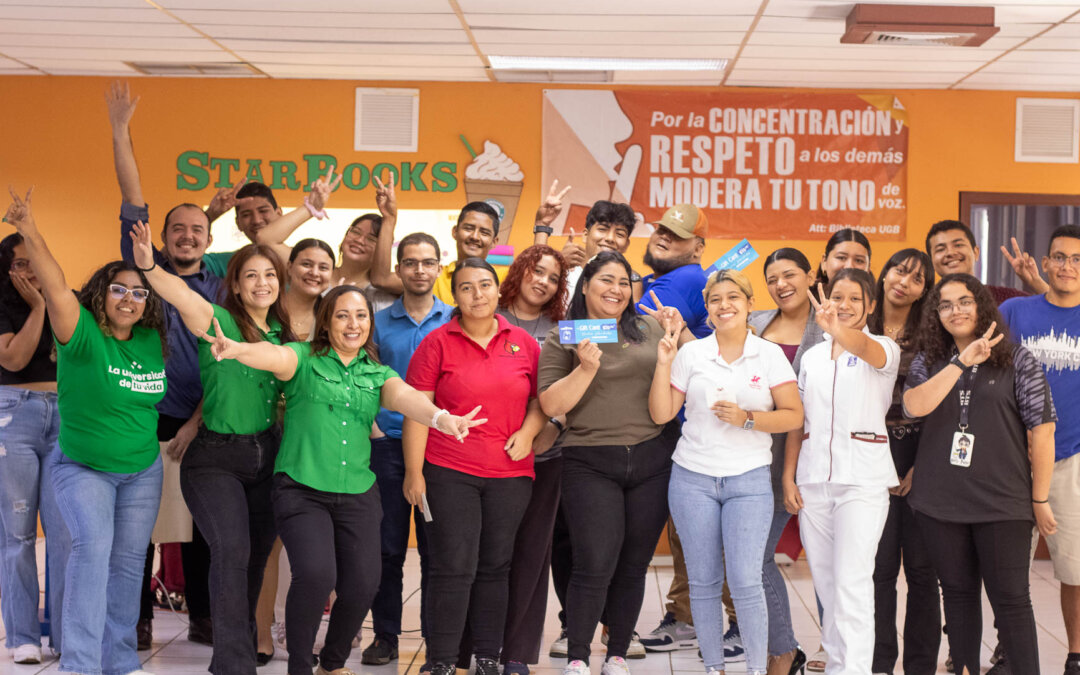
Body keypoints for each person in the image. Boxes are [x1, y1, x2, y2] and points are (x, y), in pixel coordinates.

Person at [202, 283, 483, 675]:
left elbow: (407, 398)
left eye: (361, 315)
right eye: (342, 315)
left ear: (371, 322)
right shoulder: (303, 360)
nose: (353, 324)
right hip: (301, 488)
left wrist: (441, 418)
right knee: (317, 575)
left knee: (364, 583)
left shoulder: (377, 373)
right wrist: (237, 349)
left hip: (357, 491)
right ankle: (301, 666)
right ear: (326, 322)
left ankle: (331, 664)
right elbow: (273, 355)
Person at [6, 188, 169, 675]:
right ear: (101, 294)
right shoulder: (79, 331)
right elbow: (55, 285)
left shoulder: (150, 340)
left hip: (141, 470)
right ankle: (79, 665)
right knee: (92, 553)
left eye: (139, 292)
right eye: (119, 288)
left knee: (127, 566)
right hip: (82, 467)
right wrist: (30, 229)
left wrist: (152, 268)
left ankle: (120, 661)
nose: (130, 298)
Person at [131, 222, 297, 675]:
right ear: (237, 287)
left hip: (268, 457)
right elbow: (179, 294)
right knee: (231, 550)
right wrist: (148, 263)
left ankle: (236, 648)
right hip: (215, 459)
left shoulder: (286, 334)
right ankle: (232, 665)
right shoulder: (216, 320)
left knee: (256, 557)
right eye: (251, 276)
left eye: (269, 275)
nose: (261, 283)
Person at [106, 79, 223, 647]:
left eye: (196, 230)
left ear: (207, 239)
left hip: (203, 417)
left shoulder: (222, 283)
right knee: (141, 524)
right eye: (176, 228)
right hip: (143, 415)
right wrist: (120, 129)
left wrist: (198, 421)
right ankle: (137, 619)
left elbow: (226, 360)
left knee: (203, 524)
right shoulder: (142, 269)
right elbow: (133, 194)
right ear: (160, 236)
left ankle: (203, 615)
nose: (185, 235)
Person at [650, 268, 803, 675]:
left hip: (749, 480)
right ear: (708, 307)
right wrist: (664, 362)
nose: (724, 306)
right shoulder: (691, 354)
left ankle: (754, 668)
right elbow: (662, 413)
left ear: (750, 305)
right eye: (716, 299)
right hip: (692, 478)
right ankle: (713, 668)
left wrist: (747, 418)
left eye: (733, 297)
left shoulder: (768, 354)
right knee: (702, 581)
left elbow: (793, 416)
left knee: (745, 579)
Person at [903, 273, 1057, 675]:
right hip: (941, 501)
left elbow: (1042, 431)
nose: (956, 311)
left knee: (1011, 600)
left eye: (965, 301)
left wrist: (1039, 498)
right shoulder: (929, 359)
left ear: (982, 306)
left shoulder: (1017, 358)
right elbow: (914, 406)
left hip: (1003, 501)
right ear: (936, 314)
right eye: (946, 304)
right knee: (957, 595)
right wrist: (960, 362)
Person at [402, 258, 547, 675]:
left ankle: (488, 656)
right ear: (455, 296)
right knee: (453, 565)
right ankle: (443, 660)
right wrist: (414, 473)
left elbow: (540, 401)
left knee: (496, 565)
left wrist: (529, 431)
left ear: (499, 291)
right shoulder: (437, 342)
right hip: (449, 471)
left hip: (510, 474)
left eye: (485, 285)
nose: (477, 294)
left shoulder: (524, 342)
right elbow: (418, 411)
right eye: (466, 287)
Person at [538, 251, 677, 675]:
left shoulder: (649, 327)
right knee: (594, 561)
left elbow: (682, 375)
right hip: (589, 460)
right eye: (606, 280)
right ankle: (579, 655)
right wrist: (584, 368)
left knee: (634, 564)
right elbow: (550, 403)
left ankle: (618, 651)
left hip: (652, 458)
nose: (616, 290)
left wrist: (677, 335)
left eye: (623, 282)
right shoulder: (564, 336)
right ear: (585, 286)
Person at [783, 269, 900, 675]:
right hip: (815, 482)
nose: (845, 305)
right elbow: (798, 420)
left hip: (862, 483)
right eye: (838, 297)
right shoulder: (813, 357)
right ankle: (837, 666)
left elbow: (864, 347)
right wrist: (789, 476)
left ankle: (856, 671)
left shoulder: (883, 348)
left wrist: (834, 327)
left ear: (871, 305)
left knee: (853, 583)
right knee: (827, 586)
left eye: (855, 299)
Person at [360, 232, 453, 666]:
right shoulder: (375, 323)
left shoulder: (454, 320)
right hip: (387, 449)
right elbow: (362, 379)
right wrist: (374, 429)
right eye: (410, 262)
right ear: (397, 269)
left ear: (439, 268)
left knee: (439, 550)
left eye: (427, 262)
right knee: (387, 548)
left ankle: (439, 638)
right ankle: (385, 637)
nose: (419, 269)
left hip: (442, 451)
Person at [476, 245, 568, 675]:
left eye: (553, 276)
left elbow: (569, 395)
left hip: (545, 456)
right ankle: (471, 649)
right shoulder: (486, 314)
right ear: (519, 271)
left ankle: (515, 654)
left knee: (531, 555)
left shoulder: (562, 329)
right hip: (483, 457)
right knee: (482, 556)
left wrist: (547, 433)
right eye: (537, 271)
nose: (543, 281)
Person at [999, 225, 1080, 675]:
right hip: (1014, 460)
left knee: (1074, 569)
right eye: (1060, 257)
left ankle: (1075, 654)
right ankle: (1011, 652)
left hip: (1073, 458)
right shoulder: (1015, 312)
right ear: (1045, 263)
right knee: (1008, 572)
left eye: (1076, 259)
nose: (1068, 265)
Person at [747, 248, 823, 675]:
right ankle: (783, 647)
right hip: (755, 456)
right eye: (772, 278)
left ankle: (802, 650)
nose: (781, 285)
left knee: (827, 566)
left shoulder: (829, 325)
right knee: (752, 559)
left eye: (790, 274)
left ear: (811, 275)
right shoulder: (756, 323)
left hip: (810, 462)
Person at [865, 249, 941, 675]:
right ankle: (878, 663)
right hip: (870, 451)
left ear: (923, 290)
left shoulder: (933, 334)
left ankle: (920, 666)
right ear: (885, 274)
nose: (904, 281)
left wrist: (918, 467)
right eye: (899, 270)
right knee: (877, 570)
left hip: (919, 452)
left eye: (916, 278)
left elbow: (941, 406)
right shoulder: (862, 324)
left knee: (921, 571)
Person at [0, 232, 68, 665]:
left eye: (35, 262)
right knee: (18, 535)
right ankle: (22, 636)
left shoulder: (68, 299)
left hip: (66, 417)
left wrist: (51, 302)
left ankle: (65, 634)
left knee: (65, 535)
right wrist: (40, 308)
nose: (30, 271)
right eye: (20, 263)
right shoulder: (3, 304)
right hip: (14, 416)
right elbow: (14, 359)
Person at [370, 177, 508, 305]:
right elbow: (381, 279)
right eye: (469, 228)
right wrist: (389, 218)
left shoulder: (506, 278)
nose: (475, 236)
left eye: (484, 232)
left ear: (494, 242)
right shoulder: (434, 276)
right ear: (455, 231)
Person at [924, 219, 1041, 306]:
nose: (950, 252)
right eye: (940, 249)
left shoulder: (1004, 299)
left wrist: (1035, 282)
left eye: (958, 245)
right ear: (931, 261)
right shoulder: (925, 306)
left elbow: (1056, 309)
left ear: (976, 252)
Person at [283, 238, 335, 340]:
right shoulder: (267, 308)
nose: (314, 273)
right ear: (289, 267)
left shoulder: (331, 317)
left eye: (323, 268)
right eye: (306, 264)